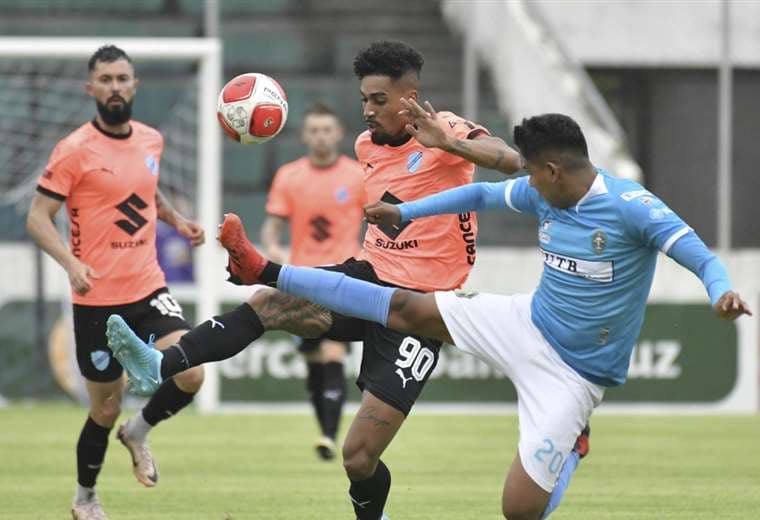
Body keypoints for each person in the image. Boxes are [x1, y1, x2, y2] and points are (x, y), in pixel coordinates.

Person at [201, 112, 749, 519]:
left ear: (554, 170)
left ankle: (571, 443)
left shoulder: (632, 207)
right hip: (526, 322)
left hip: (576, 373)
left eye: (532, 174)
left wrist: (721, 291)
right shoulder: (544, 192)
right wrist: (404, 212)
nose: (527, 183)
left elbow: (697, 253)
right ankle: (267, 271)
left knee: (519, 511)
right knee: (404, 307)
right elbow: (481, 197)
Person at [106, 40, 521, 520]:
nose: (367, 110)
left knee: (359, 456)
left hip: (422, 310)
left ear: (410, 97)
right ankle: (159, 366)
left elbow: (508, 159)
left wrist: (450, 144)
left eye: (379, 100)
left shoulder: (446, 128)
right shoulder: (366, 145)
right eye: (364, 99)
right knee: (269, 302)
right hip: (368, 280)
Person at [26, 45, 206, 520]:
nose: (114, 87)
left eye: (122, 78)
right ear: (91, 89)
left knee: (192, 372)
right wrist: (70, 262)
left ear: (135, 85)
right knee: (105, 409)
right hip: (97, 299)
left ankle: (141, 430)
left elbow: (145, 190)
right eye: (104, 79)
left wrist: (176, 218)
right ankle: (85, 497)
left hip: (148, 286)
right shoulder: (73, 150)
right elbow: (38, 217)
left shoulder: (151, 139)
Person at [261, 102, 365, 460]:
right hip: (302, 281)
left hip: (343, 279)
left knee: (333, 352)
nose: (321, 136)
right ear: (305, 135)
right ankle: (326, 431)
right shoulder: (289, 176)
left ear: (338, 134)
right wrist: (273, 250)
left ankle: (329, 436)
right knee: (314, 362)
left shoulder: (357, 176)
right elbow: (272, 228)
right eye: (314, 130)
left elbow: (380, 223)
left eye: (327, 129)